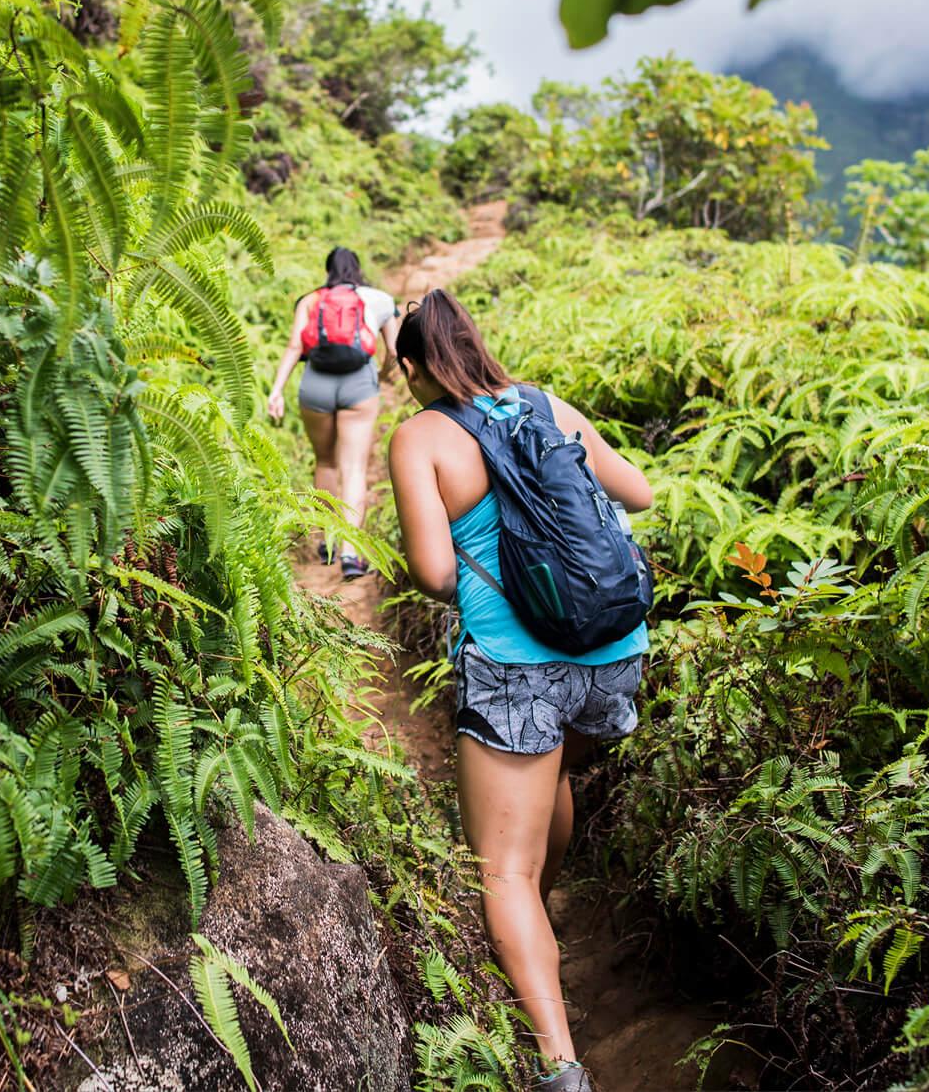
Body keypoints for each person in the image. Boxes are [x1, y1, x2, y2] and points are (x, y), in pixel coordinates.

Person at [387, 289, 653, 1092]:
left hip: (514, 668)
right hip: (612, 649)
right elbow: (636, 491)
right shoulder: (545, 403)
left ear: (409, 367)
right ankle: (540, 908)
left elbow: (434, 572)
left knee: (500, 869)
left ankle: (559, 1066)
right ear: (474, 342)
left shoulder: (418, 438)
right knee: (553, 774)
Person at [267, 247, 400, 580]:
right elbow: (394, 352)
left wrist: (276, 390)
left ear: (328, 271)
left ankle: (326, 541)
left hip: (316, 385)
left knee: (325, 462)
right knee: (353, 469)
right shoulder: (380, 299)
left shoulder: (310, 300)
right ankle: (352, 555)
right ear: (358, 269)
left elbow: (295, 347)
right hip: (359, 384)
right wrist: (382, 376)